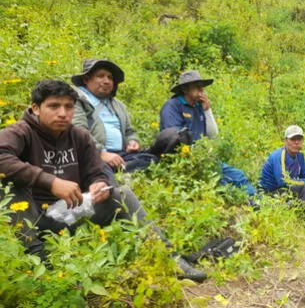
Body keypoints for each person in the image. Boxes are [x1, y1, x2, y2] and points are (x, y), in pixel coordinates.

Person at [0, 80, 206, 282]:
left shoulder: (79, 136)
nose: (63, 113)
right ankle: (40, 260)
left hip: (67, 214)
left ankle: (169, 257)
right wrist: (51, 182)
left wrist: (98, 184)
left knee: (121, 193)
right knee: (6, 183)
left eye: (68, 107)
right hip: (31, 218)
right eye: (53, 106)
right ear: (36, 108)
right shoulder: (21, 132)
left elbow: (95, 171)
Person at [159, 70, 255, 195]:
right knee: (223, 182)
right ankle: (246, 202)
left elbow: (212, 134)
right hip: (182, 161)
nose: (201, 89)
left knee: (238, 175)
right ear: (185, 89)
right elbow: (173, 138)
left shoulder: (198, 107)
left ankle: (258, 202)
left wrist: (207, 111)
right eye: (196, 86)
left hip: (204, 158)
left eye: (201, 86)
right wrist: (197, 154)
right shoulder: (172, 106)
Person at [71, 59, 158, 176]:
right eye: (100, 76)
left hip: (120, 154)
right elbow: (78, 130)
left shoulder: (118, 105)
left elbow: (129, 131)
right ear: (86, 80)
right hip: (93, 154)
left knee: (152, 159)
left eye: (110, 77)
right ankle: (116, 171)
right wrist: (101, 153)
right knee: (98, 166)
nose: (106, 81)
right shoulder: (76, 99)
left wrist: (132, 141)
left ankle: (118, 169)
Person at [260, 125, 305, 225]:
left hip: (286, 189)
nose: (296, 142)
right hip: (272, 193)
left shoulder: (299, 156)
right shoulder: (279, 156)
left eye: (299, 139)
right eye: (293, 139)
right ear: (285, 141)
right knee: (303, 188)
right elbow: (283, 181)